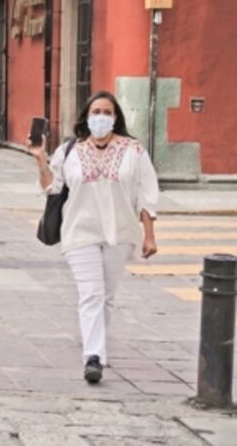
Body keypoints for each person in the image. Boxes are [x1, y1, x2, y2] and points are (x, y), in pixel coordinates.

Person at [29, 91, 159, 385]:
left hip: (120, 232)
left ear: (115, 117)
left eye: (107, 112)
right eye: (96, 111)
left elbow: (146, 193)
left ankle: (97, 348)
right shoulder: (69, 151)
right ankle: (93, 357)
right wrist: (40, 159)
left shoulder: (134, 150)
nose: (101, 117)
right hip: (79, 231)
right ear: (86, 117)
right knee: (92, 294)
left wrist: (149, 236)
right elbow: (52, 188)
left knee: (107, 297)